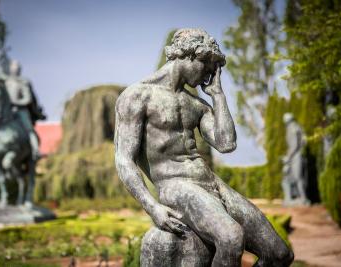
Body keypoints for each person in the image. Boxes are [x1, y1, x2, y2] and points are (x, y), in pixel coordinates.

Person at [114, 28, 293, 266]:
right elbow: (124, 158)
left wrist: (218, 95)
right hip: (175, 186)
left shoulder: (196, 104)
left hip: (211, 183)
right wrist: (152, 207)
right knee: (231, 238)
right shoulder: (137, 96)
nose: (209, 75)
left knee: (279, 254)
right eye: (207, 66)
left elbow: (226, 143)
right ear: (188, 55)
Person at [5, 60, 46, 160]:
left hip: (21, 110)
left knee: (29, 130)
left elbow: (28, 99)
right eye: (13, 67)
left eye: (17, 67)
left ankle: (36, 150)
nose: (15, 69)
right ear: (10, 69)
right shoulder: (6, 82)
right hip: (8, 111)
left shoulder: (23, 82)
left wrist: (16, 102)